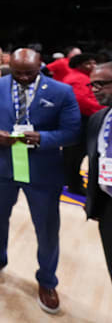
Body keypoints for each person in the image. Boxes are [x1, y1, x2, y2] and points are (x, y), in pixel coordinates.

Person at [0, 48, 80, 315]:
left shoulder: (61, 92)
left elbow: (72, 132)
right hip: (1, 166)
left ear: (40, 66)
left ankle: (47, 280)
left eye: (29, 73)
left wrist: (43, 138)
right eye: (17, 72)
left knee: (46, 229)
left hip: (42, 169)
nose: (22, 78)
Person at [61, 53, 105, 195]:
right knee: (75, 155)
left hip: (80, 119)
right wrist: (103, 110)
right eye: (88, 63)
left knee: (74, 154)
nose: (93, 66)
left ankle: (70, 180)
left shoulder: (81, 77)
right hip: (80, 120)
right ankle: (74, 184)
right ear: (79, 65)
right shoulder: (77, 78)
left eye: (93, 63)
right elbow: (82, 102)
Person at [84, 62, 112, 284]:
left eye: (101, 84)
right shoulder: (97, 119)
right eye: (92, 84)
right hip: (107, 207)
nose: (94, 89)